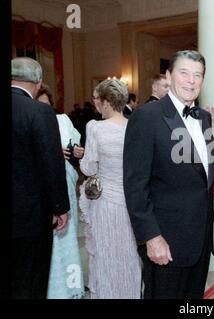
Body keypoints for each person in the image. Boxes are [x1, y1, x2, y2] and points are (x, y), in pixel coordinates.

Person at [123, 50, 214, 299]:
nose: (191, 80)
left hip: (200, 241)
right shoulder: (146, 117)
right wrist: (151, 237)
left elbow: (203, 176)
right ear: (169, 75)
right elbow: (135, 185)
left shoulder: (205, 119)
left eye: (198, 75)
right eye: (184, 73)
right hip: (166, 241)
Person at [12, 57, 69, 298]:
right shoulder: (40, 112)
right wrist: (60, 207)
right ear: (38, 82)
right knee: (31, 281)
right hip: (29, 217)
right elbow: (50, 163)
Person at [79, 79, 141, 299]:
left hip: (105, 203)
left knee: (106, 257)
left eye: (97, 100)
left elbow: (89, 167)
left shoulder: (95, 128)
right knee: (130, 258)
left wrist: (82, 157)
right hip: (132, 203)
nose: (95, 105)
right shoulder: (135, 127)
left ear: (106, 102)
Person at [36, 84, 86, 299]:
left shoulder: (63, 120)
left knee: (68, 237)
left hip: (65, 183)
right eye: (40, 105)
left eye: (47, 105)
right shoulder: (30, 121)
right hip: (42, 189)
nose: (43, 110)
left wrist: (77, 152)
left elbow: (76, 151)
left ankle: (72, 286)